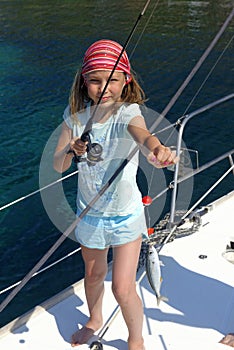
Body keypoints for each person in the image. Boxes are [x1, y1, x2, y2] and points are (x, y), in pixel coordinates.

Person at [54, 39, 178, 350]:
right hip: (90, 217)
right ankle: (94, 320)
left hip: (126, 217)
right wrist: (70, 150)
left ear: (126, 81)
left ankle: (135, 340)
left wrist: (158, 149)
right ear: (84, 82)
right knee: (93, 277)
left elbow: (143, 134)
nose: (103, 88)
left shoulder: (128, 113)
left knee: (123, 288)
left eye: (112, 80)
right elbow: (57, 166)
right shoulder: (74, 120)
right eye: (95, 80)